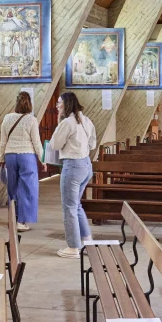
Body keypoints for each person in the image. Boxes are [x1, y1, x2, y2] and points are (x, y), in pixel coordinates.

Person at [50, 92, 97, 258]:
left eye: (59, 103)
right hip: (86, 165)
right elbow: (92, 144)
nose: (57, 106)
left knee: (69, 208)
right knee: (76, 205)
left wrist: (58, 122)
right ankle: (87, 241)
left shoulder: (68, 122)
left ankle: (73, 248)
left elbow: (55, 144)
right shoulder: (86, 120)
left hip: (73, 166)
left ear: (67, 104)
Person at [0, 91, 46, 231]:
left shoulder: (7, 118)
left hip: (10, 155)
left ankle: (12, 219)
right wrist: (43, 160)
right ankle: (22, 221)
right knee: (27, 188)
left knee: (12, 187)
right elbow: (37, 143)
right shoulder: (31, 120)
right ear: (29, 103)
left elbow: (3, 141)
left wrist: (1, 158)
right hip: (27, 156)